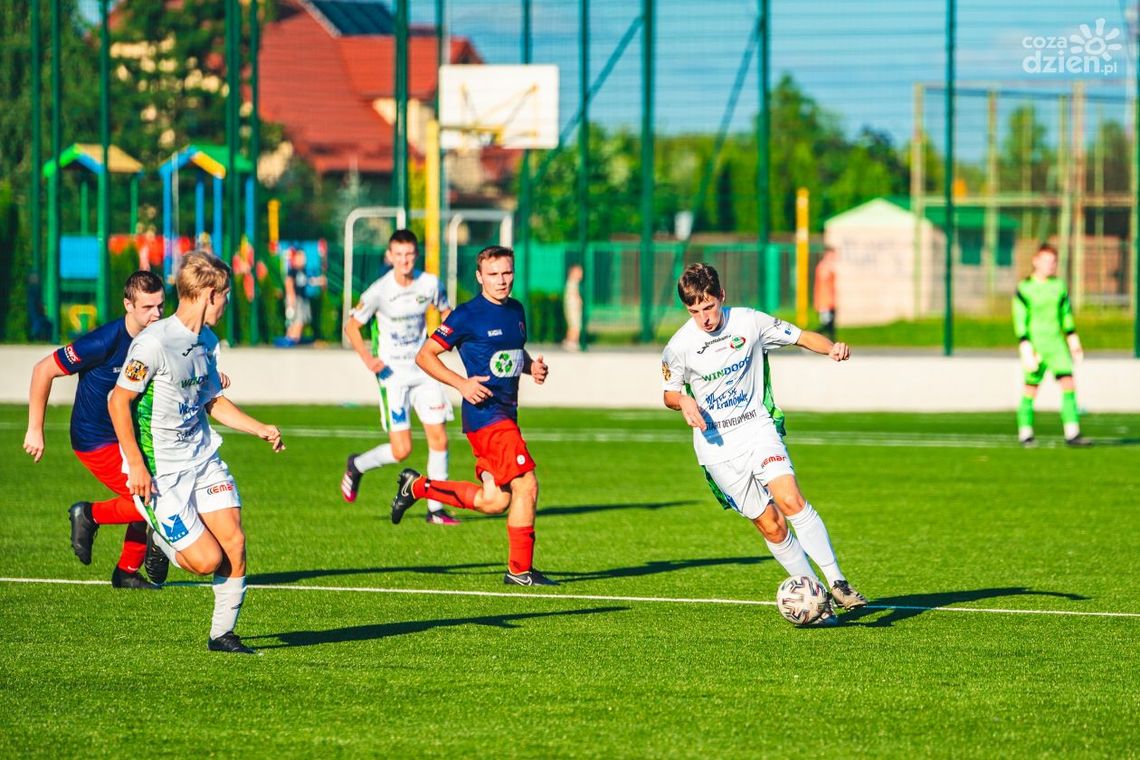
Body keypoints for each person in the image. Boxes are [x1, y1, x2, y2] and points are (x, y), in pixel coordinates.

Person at [661, 263, 866, 624]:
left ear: (721, 296)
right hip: (717, 448)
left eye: (708, 307)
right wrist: (685, 402)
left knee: (790, 499)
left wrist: (831, 348)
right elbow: (669, 393)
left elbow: (801, 336)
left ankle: (838, 582)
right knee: (771, 525)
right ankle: (815, 596)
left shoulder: (750, 323)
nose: (704, 318)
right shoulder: (679, 347)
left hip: (758, 428)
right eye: (694, 311)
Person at [108, 251, 285, 654]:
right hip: (160, 472)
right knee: (205, 561)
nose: (226, 304)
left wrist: (259, 428)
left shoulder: (208, 341)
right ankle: (157, 536)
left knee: (235, 545)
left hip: (203, 459)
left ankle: (222, 634)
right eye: (224, 295)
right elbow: (118, 402)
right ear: (208, 294)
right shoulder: (152, 344)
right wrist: (136, 464)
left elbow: (210, 401)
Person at [390, 245, 555, 586]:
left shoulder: (516, 310)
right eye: (493, 274)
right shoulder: (467, 314)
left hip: (506, 414)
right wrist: (461, 384)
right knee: (527, 484)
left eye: (507, 273)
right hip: (487, 417)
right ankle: (519, 570)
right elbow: (426, 356)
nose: (501, 280)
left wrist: (531, 368)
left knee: (495, 501)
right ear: (479, 277)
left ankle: (418, 486)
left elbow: (511, 354)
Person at [24, 270, 168, 589]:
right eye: (147, 307)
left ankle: (127, 571)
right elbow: (43, 369)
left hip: (130, 434)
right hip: (94, 438)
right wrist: (36, 429)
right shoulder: (104, 340)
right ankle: (88, 515)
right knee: (148, 498)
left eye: (160, 306)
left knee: (147, 491)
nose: (157, 314)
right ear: (127, 305)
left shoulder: (161, 338)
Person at [340, 229, 459, 525]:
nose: (404, 260)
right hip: (392, 375)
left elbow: (447, 313)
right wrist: (368, 358)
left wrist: (447, 341)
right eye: (399, 255)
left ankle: (436, 509)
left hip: (424, 368)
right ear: (390, 257)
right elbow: (352, 327)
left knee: (439, 437)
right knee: (402, 450)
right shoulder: (379, 291)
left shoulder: (430, 283)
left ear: (415, 256)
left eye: (409, 254)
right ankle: (357, 465)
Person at [1013, 244, 1091, 447]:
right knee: (1031, 388)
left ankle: (1072, 432)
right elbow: (1020, 317)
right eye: (1046, 260)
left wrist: (1073, 339)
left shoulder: (1058, 287)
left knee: (1068, 383)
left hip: (1056, 344)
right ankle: (1025, 432)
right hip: (1036, 345)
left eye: (1053, 261)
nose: (1050, 265)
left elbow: (1065, 314)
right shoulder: (1025, 288)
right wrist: (1025, 345)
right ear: (1035, 261)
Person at [814, 246, 837, 341]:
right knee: (826, 324)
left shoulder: (828, 267)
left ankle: (834, 343)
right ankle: (811, 338)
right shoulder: (823, 267)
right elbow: (824, 283)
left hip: (830, 301)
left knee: (831, 325)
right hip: (825, 301)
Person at [562, 263, 584, 351]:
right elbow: (574, 295)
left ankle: (570, 342)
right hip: (573, 309)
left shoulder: (571, 282)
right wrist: (579, 301)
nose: (581, 274)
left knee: (573, 325)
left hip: (573, 308)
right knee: (575, 326)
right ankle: (572, 342)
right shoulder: (572, 282)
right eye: (579, 272)